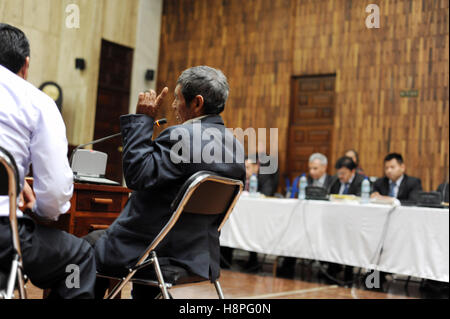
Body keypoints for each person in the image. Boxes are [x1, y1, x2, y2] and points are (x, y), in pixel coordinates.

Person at [85, 66, 246, 299]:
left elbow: (137, 177)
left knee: (80, 250)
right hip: (198, 256)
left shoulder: (180, 138)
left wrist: (142, 121)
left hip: (153, 252)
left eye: (177, 99)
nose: (172, 106)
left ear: (197, 103)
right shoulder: (236, 147)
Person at [0, 23, 96, 298]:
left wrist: (13, 185)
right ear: (26, 65)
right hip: (4, 235)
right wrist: (41, 210)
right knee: (79, 257)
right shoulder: (37, 103)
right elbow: (55, 191)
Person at [278, 153, 337, 278]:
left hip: (325, 222)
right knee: (293, 232)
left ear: (324, 167)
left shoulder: (333, 181)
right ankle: (288, 265)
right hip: (304, 220)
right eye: (310, 168)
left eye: (315, 168)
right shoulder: (304, 180)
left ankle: (331, 270)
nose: (311, 171)